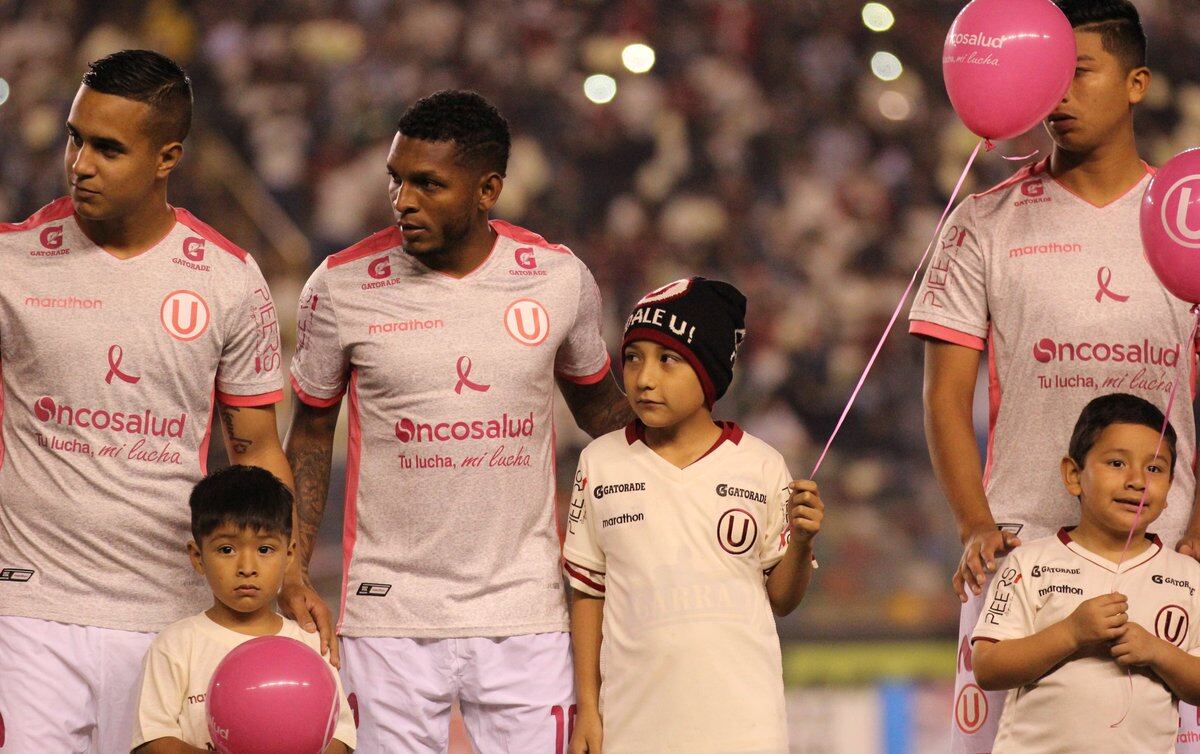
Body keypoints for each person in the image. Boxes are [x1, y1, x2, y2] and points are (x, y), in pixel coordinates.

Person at [282, 89, 634, 751]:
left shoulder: (558, 279)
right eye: (396, 180)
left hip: (525, 608)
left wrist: (695, 450)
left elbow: (602, 411)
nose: (403, 200)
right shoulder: (339, 286)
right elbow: (309, 434)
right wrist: (294, 568)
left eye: (428, 184)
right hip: (388, 610)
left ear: (487, 190)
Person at [907, 1, 1200, 746]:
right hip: (1019, 557)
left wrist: (1199, 531)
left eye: (1079, 73)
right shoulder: (982, 223)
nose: (1056, 95)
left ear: (1136, 83)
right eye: (1044, 77)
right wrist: (975, 524)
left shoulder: (1187, 221)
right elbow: (944, 396)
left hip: (1168, 558)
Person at [0, 50, 290, 752]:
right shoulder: (11, 261)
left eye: (108, 148)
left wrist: (290, 581)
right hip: (29, 608)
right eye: (75, 139)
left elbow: (255, 450)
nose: (80, 164)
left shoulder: (228, 278)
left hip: (171, 616)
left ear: (167, 158)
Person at [563, 277, 823, 754]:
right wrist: (587, 708)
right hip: (631, 729)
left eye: (668, 359)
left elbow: (783, 600)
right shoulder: (598, 463)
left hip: (747, 730)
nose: (643, 378)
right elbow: (587, 591)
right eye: (633, 357)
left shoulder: (762, 465)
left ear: (709, 372)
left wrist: (802, 542)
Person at [972, 393, 1200, 752]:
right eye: (1117, 463)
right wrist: (1072, 633)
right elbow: (987, 667)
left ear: (1172, 486)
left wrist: (1158, 652)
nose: (1137, 480)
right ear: (1074, 475)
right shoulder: (1028, 564)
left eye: (1155, 468)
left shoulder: (1189, 577)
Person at [131, 465, 355, 753]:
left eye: (264, 550)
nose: (247, 568)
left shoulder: (309, 644)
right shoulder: (175, 645)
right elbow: (152, 740)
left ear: (289, 555)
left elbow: (339, 736)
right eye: (227, 550)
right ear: (198, 557)